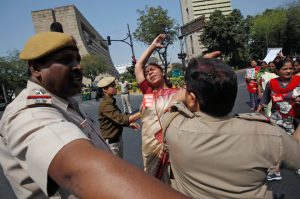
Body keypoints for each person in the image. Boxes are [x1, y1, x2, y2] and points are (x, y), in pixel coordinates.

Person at [0, 32, 188, 199]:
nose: (78, 67)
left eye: (77, 60)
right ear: (35, 69)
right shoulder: (30, 113)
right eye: (66, 60)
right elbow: (83, 173)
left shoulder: (63, 102)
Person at [162, 57, 300, 199]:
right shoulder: (267, 134)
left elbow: (171, 107)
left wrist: (193, 80)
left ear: (191, 98)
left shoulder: (174, 126)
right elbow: (296, 155)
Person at [134, 34, 178, 179]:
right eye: (147, 73)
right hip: (151, 150)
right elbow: (138, 66)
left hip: (174, 149)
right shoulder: (148, 94)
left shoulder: (178, 93)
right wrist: (153, 46)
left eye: (153, 69)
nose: (149, 72)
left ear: (162, 71)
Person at [97, 76, 140, 157]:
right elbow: (122, 119)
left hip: (116, 140)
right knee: (115, 167)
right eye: (112, 86)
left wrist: (128, 124)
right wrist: (142, 112)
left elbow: (116, 119)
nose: (115, 87)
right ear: (104, 89)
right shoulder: (106, 105)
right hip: (112, 144)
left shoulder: (110, 101)